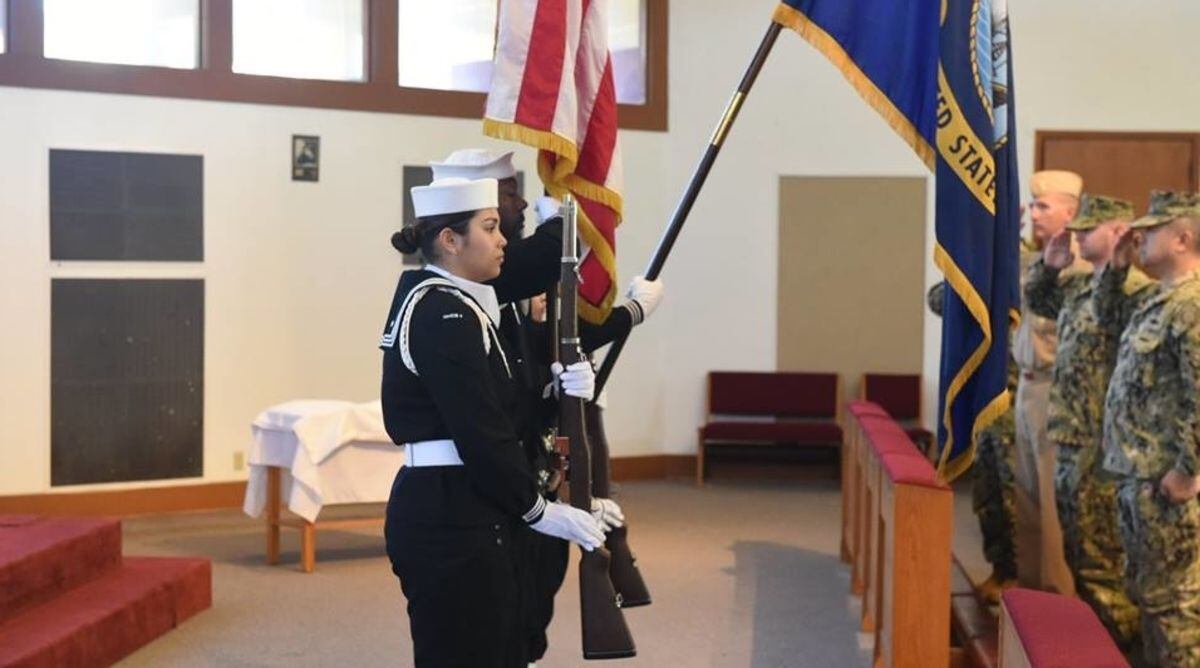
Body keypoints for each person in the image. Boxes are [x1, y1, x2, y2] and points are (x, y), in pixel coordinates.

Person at [430, 149, 662, 663]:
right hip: (484, 493)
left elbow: (538, 355)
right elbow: (545, 259)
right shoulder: (464, 291)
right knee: (482, 634)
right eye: (506, 199)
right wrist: (566, 219)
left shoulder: (492, 284)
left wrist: (555, 388)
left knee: (527, 612)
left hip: (527, 473)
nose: (519, 206)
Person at [379, 176, 606, 667]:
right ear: (450, 240)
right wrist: (537, 510)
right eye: (489, 227)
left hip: (474, 499)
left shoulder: (463, 305)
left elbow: (505, 409)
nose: (504, 240)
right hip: (448, 509)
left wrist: (558, 392)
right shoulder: (441, 311)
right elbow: (480, 429)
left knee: (503, 645)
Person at [1025, 194, 1144, 649]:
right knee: (1078, 551)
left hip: (1103, 445)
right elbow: (1038, 301)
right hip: (1070, 435)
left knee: (1104, 560)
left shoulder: (1136, 291)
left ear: (1117, 233)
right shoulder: (1078, 285)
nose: (1076, 236)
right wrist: (1050, 267)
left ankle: (1121, 649)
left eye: (1087, 229)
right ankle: (1097, 645)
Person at [1100, 191, 1200, 666]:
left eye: (1152, 229)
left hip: (1167, 487)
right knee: (1149, 603)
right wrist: (1117, 267)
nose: (1139, 236)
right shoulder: (1159, 299)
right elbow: (1104, 322)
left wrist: (1188, 470)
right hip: (1140, 481)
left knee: (1175, 613)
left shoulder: (1192, 305)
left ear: (1182, 239)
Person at [1012, 170, 1086, 593]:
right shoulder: (1037, 262)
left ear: (1071, 213)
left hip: (1054, 392)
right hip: (1026, 387)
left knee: (1051, 505)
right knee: (1027, 499)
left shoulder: (1078, 267)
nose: (1034, 213)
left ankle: (1056, 601)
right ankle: (1028, 596)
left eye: (1043, 206)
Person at [928, 281, 1019, 603]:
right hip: (984, 400)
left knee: (1014, 495)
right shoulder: (994, 271)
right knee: (987, 492)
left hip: (1021, 402)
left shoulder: (1042, 275)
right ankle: (1001, 570)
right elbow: (937, 300)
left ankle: (1018, 574)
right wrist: (982, 282)